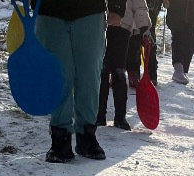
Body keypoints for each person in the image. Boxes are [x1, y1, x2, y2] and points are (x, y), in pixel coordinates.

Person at [32, 0, 127, 163]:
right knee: (58, 76)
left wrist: (117, 6)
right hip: (49, 11)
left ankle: (86, 135)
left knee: (89, 76)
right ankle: (60, 137)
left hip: (90, 11)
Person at [97, 0, 151, 129]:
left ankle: (118, 116)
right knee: (102, 71)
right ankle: (100, 115)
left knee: (117, 70)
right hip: (99, 22)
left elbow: (138, 4)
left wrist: (144, 28)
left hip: (122, 24)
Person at [162, 0, 194, 84]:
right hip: (175, 16)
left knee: (191, 43)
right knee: (178, 41)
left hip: (191, 19)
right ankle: (178, 69)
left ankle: (183, 70)